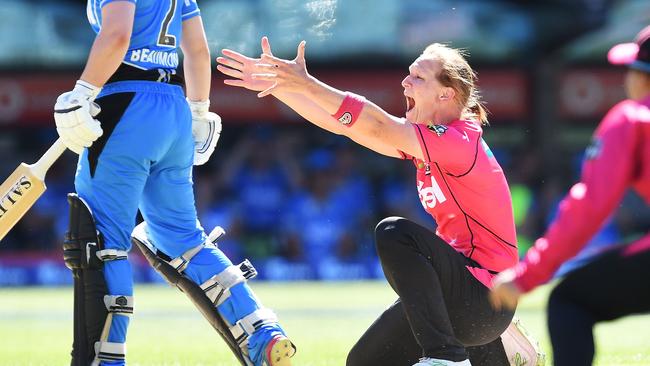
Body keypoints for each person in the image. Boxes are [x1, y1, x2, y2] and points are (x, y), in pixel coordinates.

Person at [216, 37, 538, 366]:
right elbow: (344, 125)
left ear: (446, 93)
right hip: (462, 299)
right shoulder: (428, 139)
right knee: (363, 362)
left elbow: (380, 125)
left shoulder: (458, 141)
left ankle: (447, 357)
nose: (405, 81)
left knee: (394, 233)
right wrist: (281, 86)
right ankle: (495, 354)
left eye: (418, 77)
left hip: (483, 298)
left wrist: (308, 84)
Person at [53, 1, 294, 365]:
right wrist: (198, 111)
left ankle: (104, 359)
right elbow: (196, 49)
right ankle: (261, 332)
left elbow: (118, 35)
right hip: (174, 110)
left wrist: (83, 91)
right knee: (184, 239)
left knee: (101, 242)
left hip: (124, 105)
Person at [490, 25, 650, 366]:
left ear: (642, 76)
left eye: (631, 70)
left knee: (569, 300)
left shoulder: (633, 118)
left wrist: (527, 274)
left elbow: (590, 207)